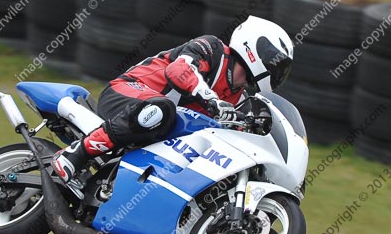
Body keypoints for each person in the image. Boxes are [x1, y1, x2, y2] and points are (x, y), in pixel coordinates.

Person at [51, 15, 294, 183]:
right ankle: (76, 153)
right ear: (256, 49)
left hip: (157, 126)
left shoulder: (238, 97)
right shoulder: (213, 48)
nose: (277, 72)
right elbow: (179, 70)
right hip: (127, 93)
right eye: (276, 63)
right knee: (162, 108)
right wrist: (209, 98)